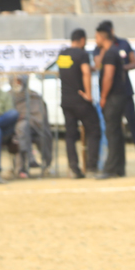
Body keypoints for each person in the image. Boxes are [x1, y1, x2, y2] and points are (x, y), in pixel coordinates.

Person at [98, 20, 135, 164]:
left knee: (133, 123)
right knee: (113, 128)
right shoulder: (102, 47)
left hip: (125, 91)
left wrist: (119, 67)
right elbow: (98, 64)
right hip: (112, 95)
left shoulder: (123, 44)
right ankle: (115, 161)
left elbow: (134, 62)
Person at [57, 28, 100, 179]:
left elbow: (69, 71)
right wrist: (88, 94)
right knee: (94, 131)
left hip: (66, 100)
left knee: (70, 135)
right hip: (80, 100)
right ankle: (92, 167)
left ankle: (74, 168)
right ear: (82, 40)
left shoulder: (62, 54)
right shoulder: (82, 54)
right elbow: (85, 72)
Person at [96, 25, 132, 179]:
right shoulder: (113, 51)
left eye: (96, 37)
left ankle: (110, 169)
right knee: (116, 132)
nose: (95, 40)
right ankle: (119, 168)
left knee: (111, 132)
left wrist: (103, 97)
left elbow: (108, 76)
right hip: (119, 96)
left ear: (102, 37)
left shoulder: (110, 53)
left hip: (113, 97)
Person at [11, 76, 51, 178]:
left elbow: (40, 115)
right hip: (15, 129)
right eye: (14, 81)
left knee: (38, 133)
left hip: (36, 127)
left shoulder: (34, 96)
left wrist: (28, 119)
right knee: (21, 129)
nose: (17, 84)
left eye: (19, 81)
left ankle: (41, 163)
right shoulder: (8, 97)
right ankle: (27, 161)